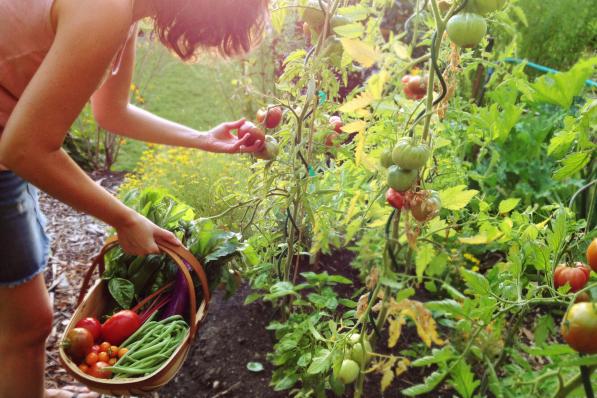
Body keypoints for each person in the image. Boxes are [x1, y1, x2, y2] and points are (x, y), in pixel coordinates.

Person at [0, 0, 269, 396]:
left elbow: (112, 111)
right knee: (28, 326)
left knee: (22, 321)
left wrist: (201, 139)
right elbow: (25, 149)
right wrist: (125, 220)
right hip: (9, 150)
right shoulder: (106, 10)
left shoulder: (122, 12)